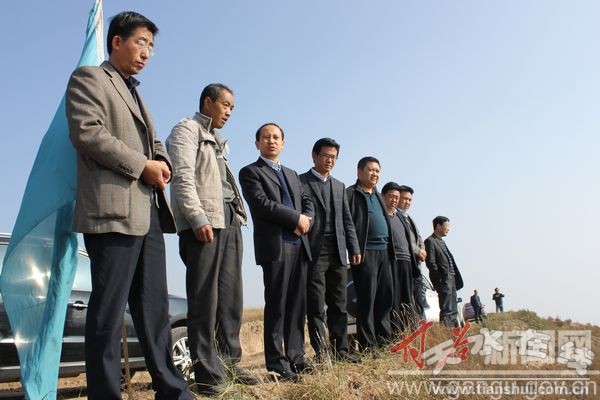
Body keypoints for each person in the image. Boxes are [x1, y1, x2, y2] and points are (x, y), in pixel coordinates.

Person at [66, 12, 193, 400]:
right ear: (116, 41)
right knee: (108, 312)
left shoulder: (136, 93)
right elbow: (88, 133)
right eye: (141, 42)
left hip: (148, 213)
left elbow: (153, 142)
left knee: (154, 310)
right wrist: (143, 166)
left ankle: (172, 390)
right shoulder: (89, 78)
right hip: (112, 213)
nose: (147, 53)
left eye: (151, 46)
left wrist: (162, 161)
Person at [166, 84, 258, 395]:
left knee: (231, 299)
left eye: (233, 107)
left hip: (229, 220)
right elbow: (182, 177)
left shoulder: (218, 140)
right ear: (208, 102)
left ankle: (229, 364)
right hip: (205, 223)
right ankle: (206, 374)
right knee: (204, 300)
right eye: (226, 105)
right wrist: (196, 217)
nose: (229, 112)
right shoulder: (186, 130)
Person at [239, 123, 315, 382]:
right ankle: (276, 362)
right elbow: (262, 205)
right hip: (275, 246)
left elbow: (307, 201)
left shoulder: (292, 174)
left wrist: (307, 219)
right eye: (266, 137)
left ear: (283, 143)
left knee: (297, 305)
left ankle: (297, 357)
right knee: (277, 305)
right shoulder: (250, 172)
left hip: (299, 245)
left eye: (276, 137)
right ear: (257, 143)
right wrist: (295, 219)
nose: (271, 141)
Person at [299, 138, 362, 364]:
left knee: (339, 304)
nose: (330, 160)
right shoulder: (300, 181)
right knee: (316, 306)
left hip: (338, 251)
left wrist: (353, 247)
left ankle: (340, 351)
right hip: (314, 251)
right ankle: (322, 354)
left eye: (334, 157)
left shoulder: (339, 186)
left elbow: (347, 220)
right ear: (314, 155)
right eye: (326, 155)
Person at [346, 157, 394, 353]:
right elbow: (348, 224)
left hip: (384, 252)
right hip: (365, 253)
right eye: (371, 170)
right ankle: (368, 346)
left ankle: (385, 341)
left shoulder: (379, 196)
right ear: (359, 172)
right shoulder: (350, 194)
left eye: (377, 170)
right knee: (367, 299)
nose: (375, 174)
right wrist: (354, 248)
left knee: (385, 298)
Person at [381, 182, 420, 333]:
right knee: (394, 299)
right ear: (383, 196)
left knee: (408, 298)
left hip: (407, 262)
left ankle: (411, 332)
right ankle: (397, 333)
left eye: (396, 197)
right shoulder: (381, 215)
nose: (394, 200)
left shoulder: (401, 217)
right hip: (392, 261)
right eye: (391, 196)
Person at [396, 185, 429, 322]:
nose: (407, 202)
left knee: (419, 299)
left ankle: (421, 328)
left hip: (416, 264)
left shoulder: (409, 218)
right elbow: (403, 239)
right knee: (409, 300)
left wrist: (422, 250)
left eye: (410, 200)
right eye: (405, 199)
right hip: (405, 263)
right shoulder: (394, 216)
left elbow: (419, 237)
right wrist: (417, 250)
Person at [424, 216, 464, 328]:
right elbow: (431, 263)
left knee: (453, 310)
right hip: (444, 281)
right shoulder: (430, 241)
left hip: (451, 280)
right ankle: (446, 333)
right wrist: (441, 279)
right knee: (447, 310)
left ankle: (454, 333)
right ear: (438, 226)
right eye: (446, 226)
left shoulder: (441, 241)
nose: (448, 229)